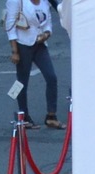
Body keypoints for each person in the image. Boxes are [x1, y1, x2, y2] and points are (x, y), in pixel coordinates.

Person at [5, 0, 61, 129]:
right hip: (22, 45)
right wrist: (14, 51)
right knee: (21, 82)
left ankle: (51, 116)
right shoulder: (16, 1)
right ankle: (23, 117)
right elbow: (10, 25)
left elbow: (48, 22)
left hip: (40, 45)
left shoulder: (44, 2)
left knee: (51, 77)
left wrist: (47, 33)